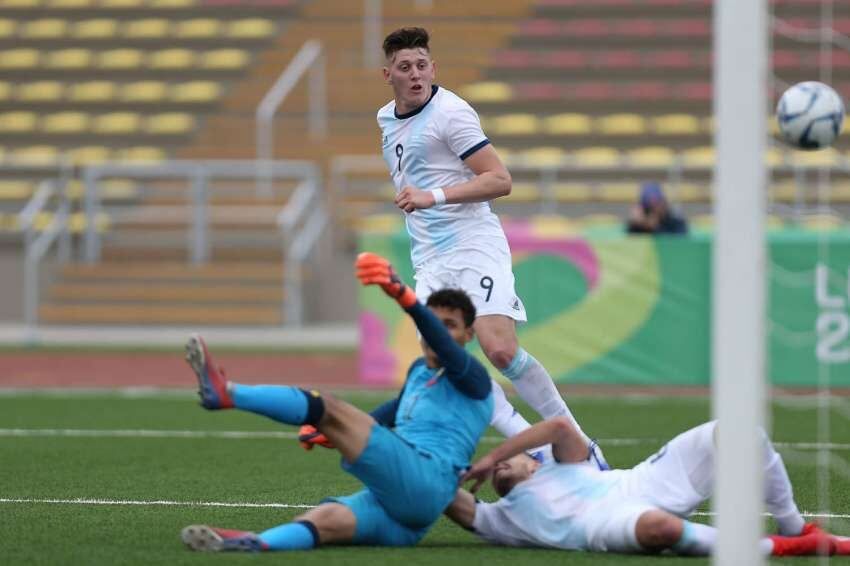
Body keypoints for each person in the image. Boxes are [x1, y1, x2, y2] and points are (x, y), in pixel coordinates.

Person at [377, 26, 598, 458]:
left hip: (473, 244)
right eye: (405, 67)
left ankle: (580, 444)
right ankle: (536, 450)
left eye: (422, 65)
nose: (416, 74)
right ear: (389, 75)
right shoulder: (385, 118)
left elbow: (500, 179)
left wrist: (433, 197)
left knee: (498, 349)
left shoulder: (451, 114)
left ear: (433, 67)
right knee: (444, 362)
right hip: (431, 260)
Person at [180, 252, 493, 552]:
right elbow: (390, 413)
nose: (436, 333)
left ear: (469, 335)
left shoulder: (475, 377)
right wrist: (332, 432)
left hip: (427, 479)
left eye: (449, 325)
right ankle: (254, 543)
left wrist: (404, 296)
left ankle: (227, 393)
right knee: (324, 519)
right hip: (406, 515)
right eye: (433, 324)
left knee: (328, 407)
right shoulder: (418, 371)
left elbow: (440, 343)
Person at [446, 417, 850, 557]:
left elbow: (559, 427)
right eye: (496, 471)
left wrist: (488, 456)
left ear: (532, 464)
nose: (500, 467)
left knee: (739, 431)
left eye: (506, 461)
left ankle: (794, 526)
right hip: (604, 526)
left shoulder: (561, 462)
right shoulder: (500, 518)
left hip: (640, 481)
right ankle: (794, 547)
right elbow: (442, 497)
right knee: (662, 530)